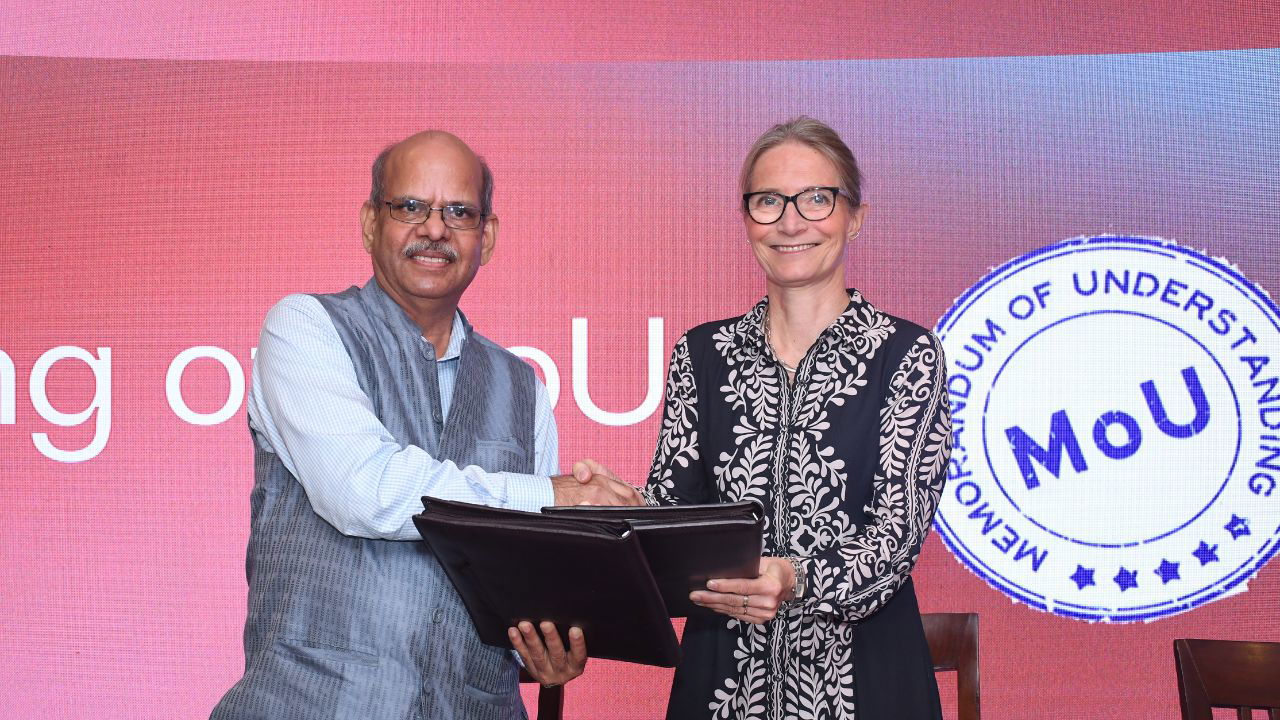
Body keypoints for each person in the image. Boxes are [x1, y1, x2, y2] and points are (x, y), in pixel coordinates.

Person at [212, 130, 639, 720]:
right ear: (369, 223)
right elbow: (360, 490)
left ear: (485, 238)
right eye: (409, 207)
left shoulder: (522, 386)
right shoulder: (305, 329)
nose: (434, 230)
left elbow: (528, 579)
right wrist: (552, 496)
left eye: (458, 212)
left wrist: (549, 647)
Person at [643, 117, 952, 719]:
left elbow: (896, 537)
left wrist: (796, 580)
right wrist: (620, 508)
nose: (791, 221)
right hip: (722, 679)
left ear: (854, 215)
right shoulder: (702, 354)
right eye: (768, 201)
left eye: (816, 198)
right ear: (747, 219)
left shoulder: (907, 355)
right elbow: (674, 514)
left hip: (867, 680)